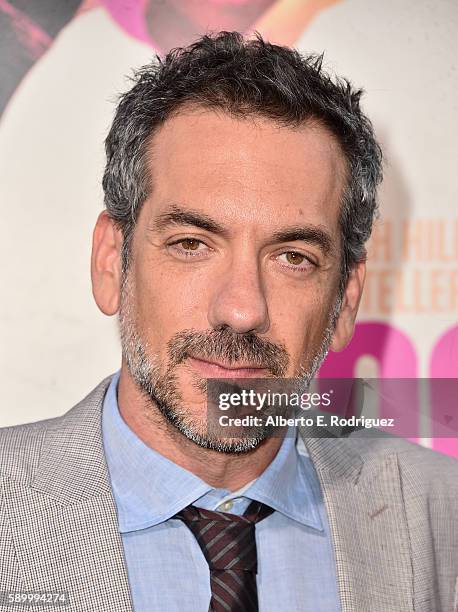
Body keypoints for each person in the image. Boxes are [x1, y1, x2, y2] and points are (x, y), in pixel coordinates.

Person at [0, 31, 456, 612]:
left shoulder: (441, 515)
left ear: (344, 301)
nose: (241, 310)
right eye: (192, 243)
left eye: (294, 258)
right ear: (113, 262)